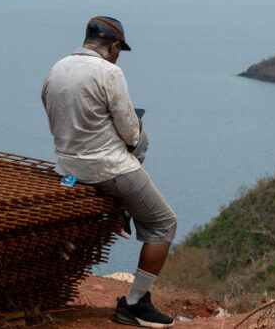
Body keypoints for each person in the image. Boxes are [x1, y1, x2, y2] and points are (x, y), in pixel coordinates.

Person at [41, 16, 177, 328]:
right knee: (164, 224)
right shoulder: (110, 72)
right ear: (113, 46)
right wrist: (137, 126)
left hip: (67, 167)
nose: (118, 54)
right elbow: (129, 135)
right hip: (109, 170)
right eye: (119, 49)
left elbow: (54, 121)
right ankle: (134, 304)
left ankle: (122, 212)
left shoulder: (57, 68)